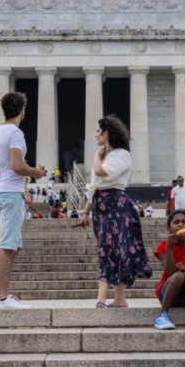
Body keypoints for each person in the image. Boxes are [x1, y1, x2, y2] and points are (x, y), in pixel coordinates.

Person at [78, 114, 153, 308]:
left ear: (107, 133)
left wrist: (96, 157)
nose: (95, 135)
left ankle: (101, 299)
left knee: (107, 248)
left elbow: (102, 173)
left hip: (116, 205)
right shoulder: (106, 156)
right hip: (100, 205)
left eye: (98, 131)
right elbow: (94, 187)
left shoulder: (122, 155)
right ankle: (120, 299)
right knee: (114, 250)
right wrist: (86, 212)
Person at [0, 92, 47, 309]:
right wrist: (36, 172)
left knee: (14, 245)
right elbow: (17, 166)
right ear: (22, 111)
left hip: (0, 192)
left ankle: (1, 295)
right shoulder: (15, 133)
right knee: (7, 244)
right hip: (10, 193)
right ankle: (1, 297)